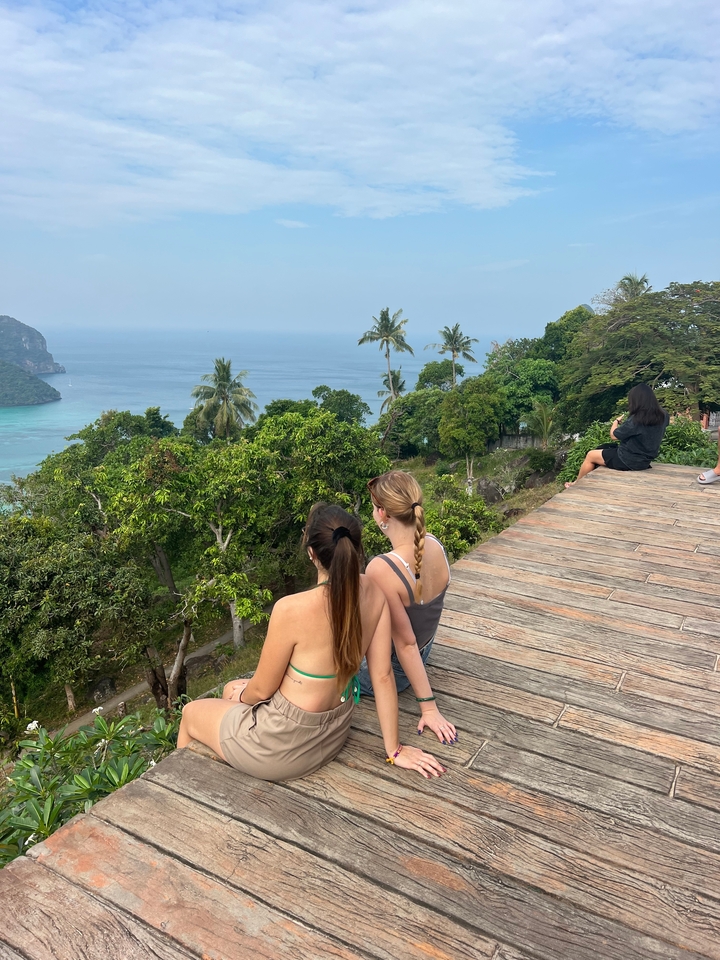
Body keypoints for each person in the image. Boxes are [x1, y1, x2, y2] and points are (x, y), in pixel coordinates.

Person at [177, 503, 445, 781]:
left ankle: (184, 790)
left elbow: (260, 691)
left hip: (281, 747)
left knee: (191, 712)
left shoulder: (290, 609)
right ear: (355, 547)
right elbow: (383, 676)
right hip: (332, 733)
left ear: (312, 553)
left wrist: (242, 698)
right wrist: (395, 750)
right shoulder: (375, 593)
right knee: (233, 688)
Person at [358, 471, 458, 746]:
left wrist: (429, 707)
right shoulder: (435, 544)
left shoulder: (383, 568)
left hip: (398, 669)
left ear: (382, 514)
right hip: (426, 651)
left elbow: (405, 644)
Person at [564, 384, 669, 487]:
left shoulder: (636, 419)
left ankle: (576, 483)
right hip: (644, 461)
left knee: (591, 455)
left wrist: (616, 422)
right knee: (603, 448)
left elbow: (614, 436)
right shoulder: (664, 415)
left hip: (627, 460)